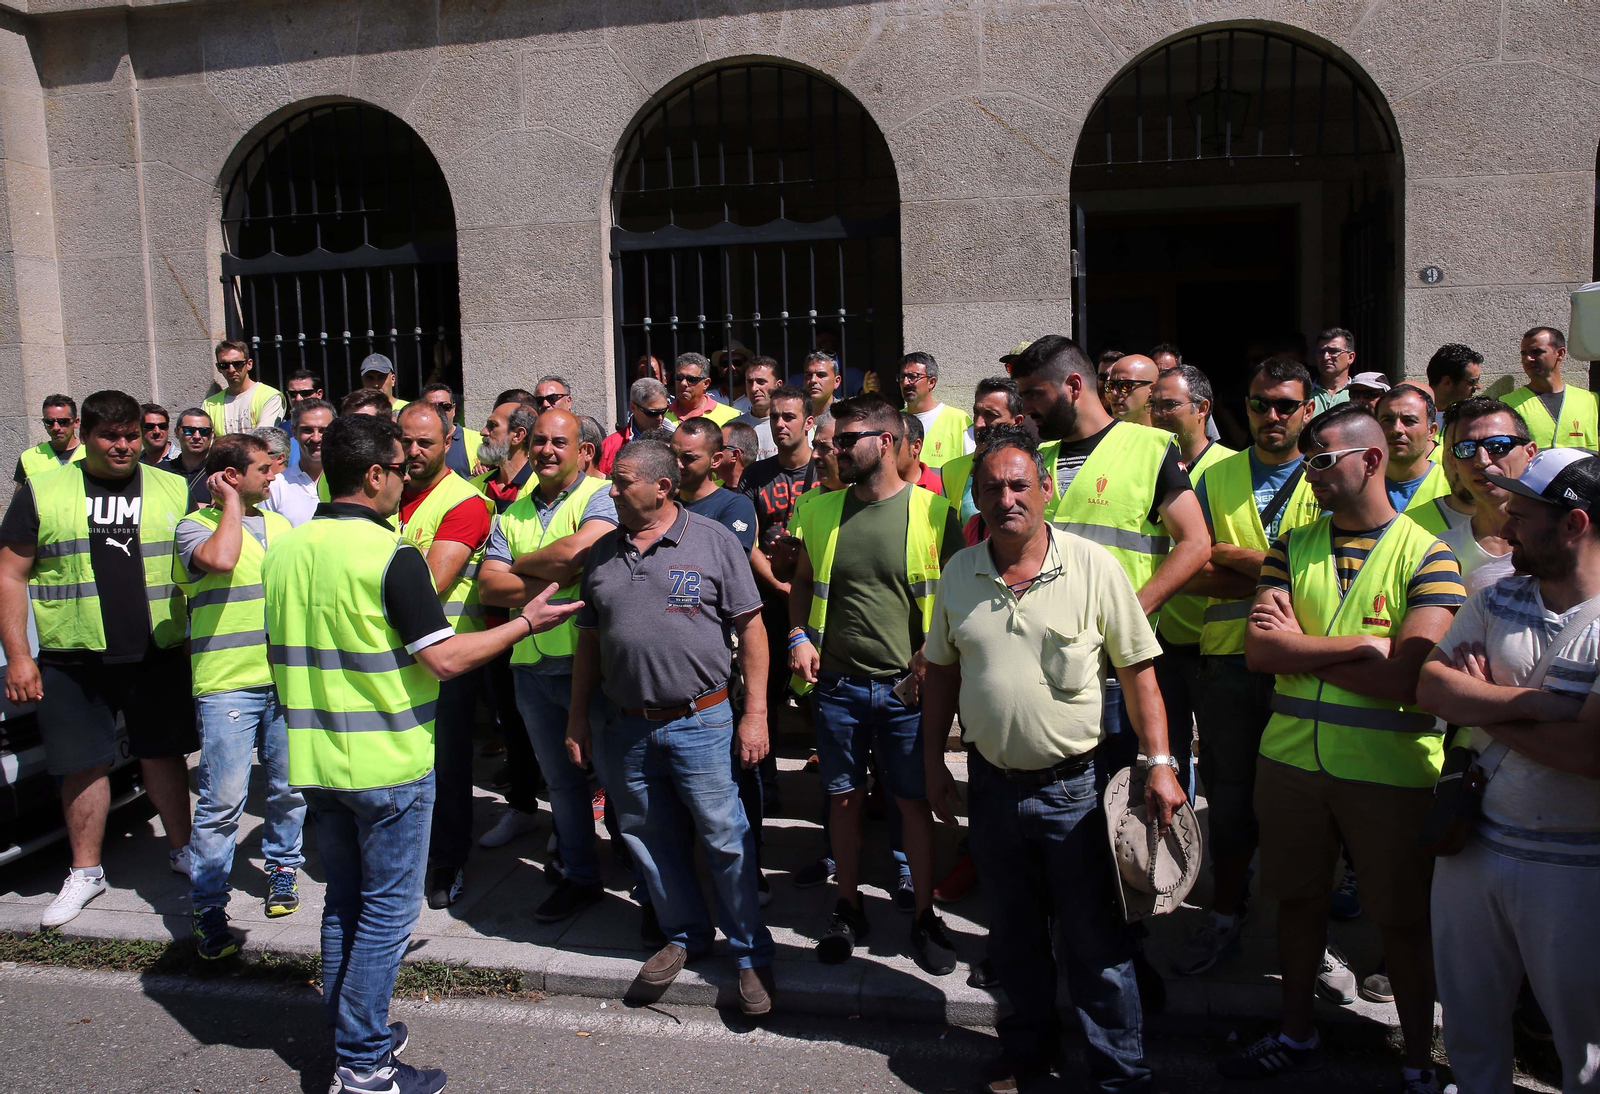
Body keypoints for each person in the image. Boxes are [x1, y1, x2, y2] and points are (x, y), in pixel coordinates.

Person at [263, 412, 579, 1094]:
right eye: (397, 470)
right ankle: (367, 1064)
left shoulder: (285, 547)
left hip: (314, 760)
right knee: (384, 914)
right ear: (373, 474)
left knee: (343, 902)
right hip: (388, 763)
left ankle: (353, 1034)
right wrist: (525, 623)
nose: (403, 482)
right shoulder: (390, 554)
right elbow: (443, 658)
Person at [922, 426, 1184, 1094]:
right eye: (992, 488)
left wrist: (1160, 762)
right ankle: (1026, 1053)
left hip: (1076, 789)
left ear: (1046, 490)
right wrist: (930, 762)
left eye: (1019, 485)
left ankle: (1120, 1072)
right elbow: (943, 678)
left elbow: (1139, 673)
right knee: (1013, 940)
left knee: (1096, 944)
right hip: (990, 789)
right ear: (976, 500)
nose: (1007, 498)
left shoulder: (1094, 567)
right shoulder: (959, 573)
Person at [1223, 403, 1463, 1090]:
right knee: (1295, 906)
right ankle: (1296, 1035)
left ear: (1372, 459)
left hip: (1389, 773)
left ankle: (1419, 1063)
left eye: (1323, 458)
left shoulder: (1427, 553)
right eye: (1306, 461)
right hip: (1292, 763)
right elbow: (1259, 652)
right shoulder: (1290, 545)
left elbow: (1407, 678)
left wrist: (1303, 647)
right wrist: (1360, 643)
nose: (1310, 473)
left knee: (1401, 924)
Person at [565, 438, 776, 1015]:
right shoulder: (603, 554)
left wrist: (754, 713)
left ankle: (750, 953)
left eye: (623, 481)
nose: (611, 490)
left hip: (701, 720)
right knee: (646, 837)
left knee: (724, 837)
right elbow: (589, 640)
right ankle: (685, 933)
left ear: (662, 487)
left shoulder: (712, 543)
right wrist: (578, 715)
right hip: (625, 727)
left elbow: (752, 631)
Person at [1416, 448, 1600, 1094]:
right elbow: (1435, 688)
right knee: (1469, 1029)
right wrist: (1549, 709)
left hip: (1577, 867)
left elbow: (1590, 755)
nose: (1506, 524)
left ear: (1573, 525)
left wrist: (1487, 706)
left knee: (1585, 1050)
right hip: (1473, 847)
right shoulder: (1495, 596)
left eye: (1522, 513)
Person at [0, 389, 197, 928]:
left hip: (155, 651)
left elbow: (196, 564)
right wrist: (20, 656)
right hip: (73, 656)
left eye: (132, 434)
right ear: (84, 436)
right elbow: (10, 574)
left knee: (164, 755)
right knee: (80, 765)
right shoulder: (42, 492)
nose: (123, 445)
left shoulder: (173, 486)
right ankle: (85, 872)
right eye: (110, 435)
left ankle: (183, 852)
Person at [787, 394, 965, 974]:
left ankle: (922, 916)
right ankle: (848, 905)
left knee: (914, 805)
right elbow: (802, 583)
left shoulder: (936, 514)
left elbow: (960, 597)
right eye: (835, 442)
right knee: (842, 800)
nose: (836, 450)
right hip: (837, 687)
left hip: (905, 694)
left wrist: (928, 656)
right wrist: (798, 637)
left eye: (847, 440)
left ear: (886, 441)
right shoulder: (819, 511)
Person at [1171, 357, 1322, 975]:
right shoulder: (1217, 475)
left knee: (1302, 803)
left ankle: (1305, 936)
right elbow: (1193, 571)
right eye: (1261, 404)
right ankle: (1227, 914)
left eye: (1286, 405)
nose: (1273, 416)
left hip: (1303, 664)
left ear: (1308, 409)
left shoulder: (1328, 473)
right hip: (1228, 665)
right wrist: (1278, 576)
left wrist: (1239, 556)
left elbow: (1336, 573)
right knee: (1230, 802)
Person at [1009, 335, 1210, 782]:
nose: (1025, 408)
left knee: (1102, 797)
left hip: (1111, 669)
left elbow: (1195, 543)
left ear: (1074, 385)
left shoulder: (1151, 448)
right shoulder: (1036, 458)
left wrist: (1133, 614)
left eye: (1034, 394)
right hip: (1035, 652)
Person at [478, 408, 618, 919]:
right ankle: (580, 876)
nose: (547, 451)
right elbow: (488, 585)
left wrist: (517, 564)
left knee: (618, 778)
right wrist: (555, 570)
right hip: (530, 668)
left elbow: (581, 552)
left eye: (559, 442)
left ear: (582, 450)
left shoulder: (599, 495)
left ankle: (644, 875)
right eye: (539, 441)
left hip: (590, 665)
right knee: (560, 782)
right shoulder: (510, 511)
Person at [173, 432, 303, 959]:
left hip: (284, 678)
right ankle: (208, 906)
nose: (273, 475)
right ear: (230, 476)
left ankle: (282, 872)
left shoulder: (280, 525)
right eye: (262, 470)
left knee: (289, 789)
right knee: (222, 802)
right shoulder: (191, 527)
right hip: (227, 680)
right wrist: (227, 502)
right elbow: (222, 561)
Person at [393, 402, 494, 910]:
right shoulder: (384, 492)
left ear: (450, 439)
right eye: (405, 440)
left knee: (446, 766)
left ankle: (446, 862)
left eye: (425, 443)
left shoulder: (464, 502)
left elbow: (431, 584)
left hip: (446, 655)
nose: (413, 451)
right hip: (390, 655)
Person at [1146, 364, 1235, 798]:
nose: (1159, 414)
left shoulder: (1230, 469)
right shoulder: (1146, 462)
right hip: (1163, 640)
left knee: (1222, 760)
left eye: (1169, 405)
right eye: (1154, 405)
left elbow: (1230, 560)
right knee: (1166, 755)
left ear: (1202, 408)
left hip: (1218, 645)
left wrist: (1168, 576)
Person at [473, 401, 545, 853]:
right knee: (513, 725)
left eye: (492, 425)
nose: (482, 431)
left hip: (545, 628)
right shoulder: (480, 490)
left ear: (517, 435)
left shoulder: (540, 489)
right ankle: (521, 807)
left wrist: (505, 573)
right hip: (494, 629)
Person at [1437, 397, 1536, 594]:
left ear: (1530, 453)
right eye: (1467, 449)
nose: (1481, 461)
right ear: (1454, 462)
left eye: (1498, 445)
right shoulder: (1442, 551)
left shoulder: (1565, 540)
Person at [942, 377, 1027, 524]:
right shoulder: (951, 470)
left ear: (1017, 422)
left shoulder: (1037, 465)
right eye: (976, 413)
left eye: (990, 415)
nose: (978, 424)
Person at [1500, 325, 1598, 450]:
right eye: (1524, 353)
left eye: (1537, 352)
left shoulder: (1591, 401)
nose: (1528, 359)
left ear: (1560, 353)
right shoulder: (1506, 404)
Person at [1378, 384, 1458, 534]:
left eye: (1409, 421)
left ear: (1431, 432)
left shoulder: (1453, 486)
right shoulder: (1357, 486)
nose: (1397, 429)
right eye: (1387, 420)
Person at [672, 417, 759, 552]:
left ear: (715, 460)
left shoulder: (735, 506)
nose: (677, 463)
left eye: (689, 457)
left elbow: (729, 565)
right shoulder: (664, 503)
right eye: (673, 454)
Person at [263, 398, 334, 527]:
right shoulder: (275, 486)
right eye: (307, 430)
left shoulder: (350, 483)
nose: (316, 438)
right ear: (294, 432)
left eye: (323, 430)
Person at [898, 352, 973, 468]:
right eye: (902, 377)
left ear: (931, 382)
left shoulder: (959, 420)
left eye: (913, 376)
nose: (905, 382)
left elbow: (973, 468)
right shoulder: (895, 419)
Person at [205, 339, 285, 435]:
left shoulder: (270, 397)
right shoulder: (209, 404)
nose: (231, 370)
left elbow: (262, 439)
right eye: (224, 365)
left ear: (249, 364)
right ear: (218, 368)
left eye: (237, 364)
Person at [600, 377, 671, 473]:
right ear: (633, 408)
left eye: (664, 411)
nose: (660, 418)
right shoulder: (611, 445)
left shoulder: (677, 437)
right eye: (652, 413)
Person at [15, 394, 85, 484]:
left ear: (76, 422)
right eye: (49, 422)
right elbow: (21, 496)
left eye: (62, 421)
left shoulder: (92, 453)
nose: (56, 427)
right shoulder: (28, 458)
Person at [158, 407, 217, 510]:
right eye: (189, 430)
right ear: (176, 432)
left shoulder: (221, 472)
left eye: (204, 431)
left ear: (211, 434)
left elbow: (221, 510)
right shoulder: (160, 472)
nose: (197, 436)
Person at [420, 383, 483, 477]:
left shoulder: (479, 440)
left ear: (453, 409)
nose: (439, 411)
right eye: (431, 407)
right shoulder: (411, 444)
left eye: (445, 406)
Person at [665, 352, 739, 427]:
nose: (683, 383)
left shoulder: (732, 417)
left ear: (706, 383)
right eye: (679, 378)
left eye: (691, 379)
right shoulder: (661, 415)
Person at [734, 356, 781, 459]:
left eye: (761, 382)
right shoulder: (733, 427)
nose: (754, 388)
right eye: (749, 382)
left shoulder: (793, 425)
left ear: (778, 385)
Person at [1425, 343, 1483, 426]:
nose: (1479, 386)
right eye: (1473, 381)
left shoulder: (1471, 420)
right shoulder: (1413, 419)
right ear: (1447, 382)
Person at [1309, 327, 1357, 415]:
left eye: (1333, 351)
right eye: (1321, 352)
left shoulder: (1360, 395)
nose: (1326, 357)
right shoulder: (1304, 394)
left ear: (1350, 357)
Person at [896, 410, 945, 493]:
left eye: (894, 441)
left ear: (916, 447)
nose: (885, 447)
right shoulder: (875, 488)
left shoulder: (941, 489)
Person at [1105, 354, 1160, 427]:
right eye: (1110, 386)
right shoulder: (1103, 434)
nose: (1114, 393)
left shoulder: (1168, 434)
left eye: (1125, 385)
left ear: (1152, 389)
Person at [718, 420, 759, 490]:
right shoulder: (711, 494)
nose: (711, 452)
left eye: (718, 447)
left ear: (735, 455)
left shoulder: (761, 496)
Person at [801, 350, 840, 418]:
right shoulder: (793, 415)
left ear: (836, 381)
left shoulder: (847, 417)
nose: (813, 380)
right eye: (809, 375)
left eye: (821, 375)